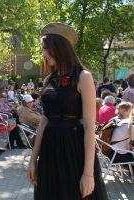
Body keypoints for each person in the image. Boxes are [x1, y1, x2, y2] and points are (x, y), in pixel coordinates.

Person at [27, 23, 108, 199]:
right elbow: (44, 120)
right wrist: (33, 160)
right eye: (43, 49)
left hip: (73, 152)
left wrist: (88, 174)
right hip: (49, 152)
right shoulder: (49, 80)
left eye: (46, 49)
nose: (44, 54)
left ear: (60, 47)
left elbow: (88, 127)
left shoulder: (83, 77)